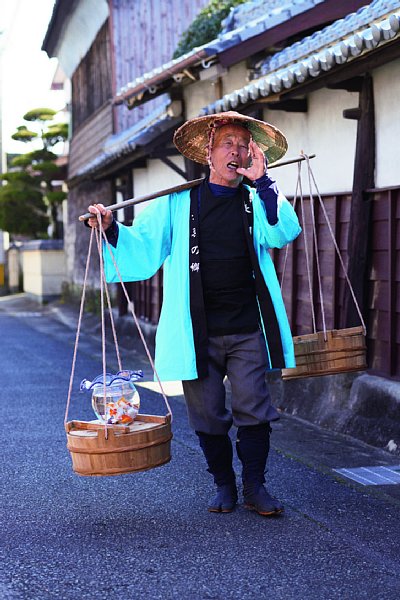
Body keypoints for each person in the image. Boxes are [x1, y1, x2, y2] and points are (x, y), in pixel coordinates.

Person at [87, 111, 301, 517]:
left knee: (254, 406)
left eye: (243, 144)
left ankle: (255, 486)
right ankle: (224, 484)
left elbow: (283, 232)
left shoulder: (258, 197)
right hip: (196, 329)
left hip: (247, 325)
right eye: (228, 144)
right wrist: (112, 228)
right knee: (206, 413)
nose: (236, 152)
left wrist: (264, 182)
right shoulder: (178, 202)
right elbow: (144, 247)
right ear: (209, 152)